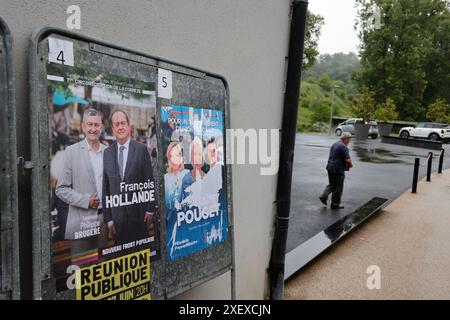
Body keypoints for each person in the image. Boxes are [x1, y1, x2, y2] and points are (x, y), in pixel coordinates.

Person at [55, 109, 107, 260]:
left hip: (102, 222)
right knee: (82, 273)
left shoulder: (108, 152)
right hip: (81, 223)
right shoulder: (71, 152)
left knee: (101, 271)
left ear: (101, 127)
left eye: (96, 125)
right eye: (89, 124)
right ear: (83, 126)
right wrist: (86, 200)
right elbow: (61, 189)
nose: (93, 128)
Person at [102, 110, 156, 247]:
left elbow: (149, 181)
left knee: (141, 257)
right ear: (112, 129)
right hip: (117, 220)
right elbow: (106, 188)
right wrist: (108, 220)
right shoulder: (107, 154)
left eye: (123, 123)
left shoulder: (141, 149)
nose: (120, 127)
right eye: (116, 124)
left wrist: (150, 209)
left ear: (129, 126)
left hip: (139, 217)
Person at [319, 132, 353, 209]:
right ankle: (335, 204)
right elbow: (348, 160)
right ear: (346, 139)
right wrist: (350, 165)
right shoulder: (343, 147)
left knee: (332, 184)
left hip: (330, 167)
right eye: (349, 139)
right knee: (338, 187)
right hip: (338, 169)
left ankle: (323, 196)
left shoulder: (335, 144)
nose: (349, 141)